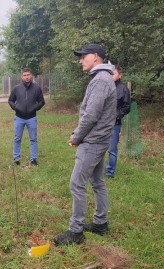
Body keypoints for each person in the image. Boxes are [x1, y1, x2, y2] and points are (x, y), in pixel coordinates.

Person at [54, 44, 117, 246]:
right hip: (98, 140)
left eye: (83, 56)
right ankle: (100, 224)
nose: (80, 60)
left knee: (77, 183)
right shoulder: (103, 78)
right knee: (97, 182)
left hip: (93, 141)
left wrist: (77, 136)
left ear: (96, 57)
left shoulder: (100, 80)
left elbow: (91, 115)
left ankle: (76, 231)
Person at [8, 67, 45, 166]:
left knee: (33, 139)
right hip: (19, 117)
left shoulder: (37, 88)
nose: (27, 77)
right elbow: (10, 100)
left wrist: (34, 108)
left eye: (28, 75)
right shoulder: (17, 88)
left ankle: (33, 159)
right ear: (22, 77)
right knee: (17, 139)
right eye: (25, 75)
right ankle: (16, 159)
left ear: (31, 75)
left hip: (32, 118)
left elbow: (42, 102)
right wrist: (16, 107)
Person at [106, 65, 131, 178]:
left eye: (114, 73)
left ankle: (110, 173)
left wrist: (117, 116)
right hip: (101, 122)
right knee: (98, 148)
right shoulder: (105, 86)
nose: (111, 76)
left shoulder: (123, 89)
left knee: (112, 149)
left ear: (120, 75)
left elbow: (126, 107)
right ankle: (95, 171)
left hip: (114, 124)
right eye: (110, 73)